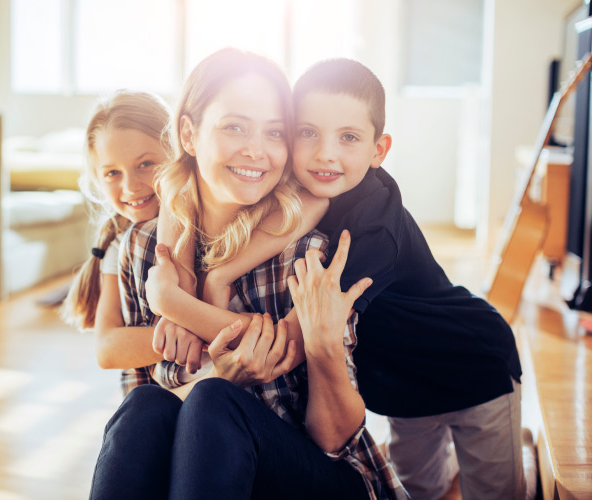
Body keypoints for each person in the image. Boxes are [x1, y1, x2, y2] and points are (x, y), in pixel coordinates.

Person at [162, 57, 525, 500]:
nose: (324, 154)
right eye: (307, 133)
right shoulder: (299, 187)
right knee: (422, 489)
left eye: (348, 138)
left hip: (473, 366)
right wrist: (218, 278)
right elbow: (182, 195)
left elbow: (290, 345)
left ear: (379, 150)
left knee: (496, 493)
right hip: (401, 389)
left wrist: (169, 299)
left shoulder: (370, 235)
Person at [89, 48, 408, 500]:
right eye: (235, 126)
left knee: (214, 404)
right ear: (188, 132)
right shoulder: (144, 250)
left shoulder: (307, 255)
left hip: (323, 477)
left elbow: (333, 440)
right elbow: (153, 425)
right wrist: (215, 374)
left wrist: (313, 350)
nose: (256, 150)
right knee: (145, 408)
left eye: (274, 132)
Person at [59, 89, 180, 395]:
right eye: (112, 173)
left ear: (178, 152)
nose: (130, 186)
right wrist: (196, 335)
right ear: (97, 180)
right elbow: (107, 348)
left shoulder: (211, 222)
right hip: (156, 401)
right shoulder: (118, 246)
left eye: (145, 164)